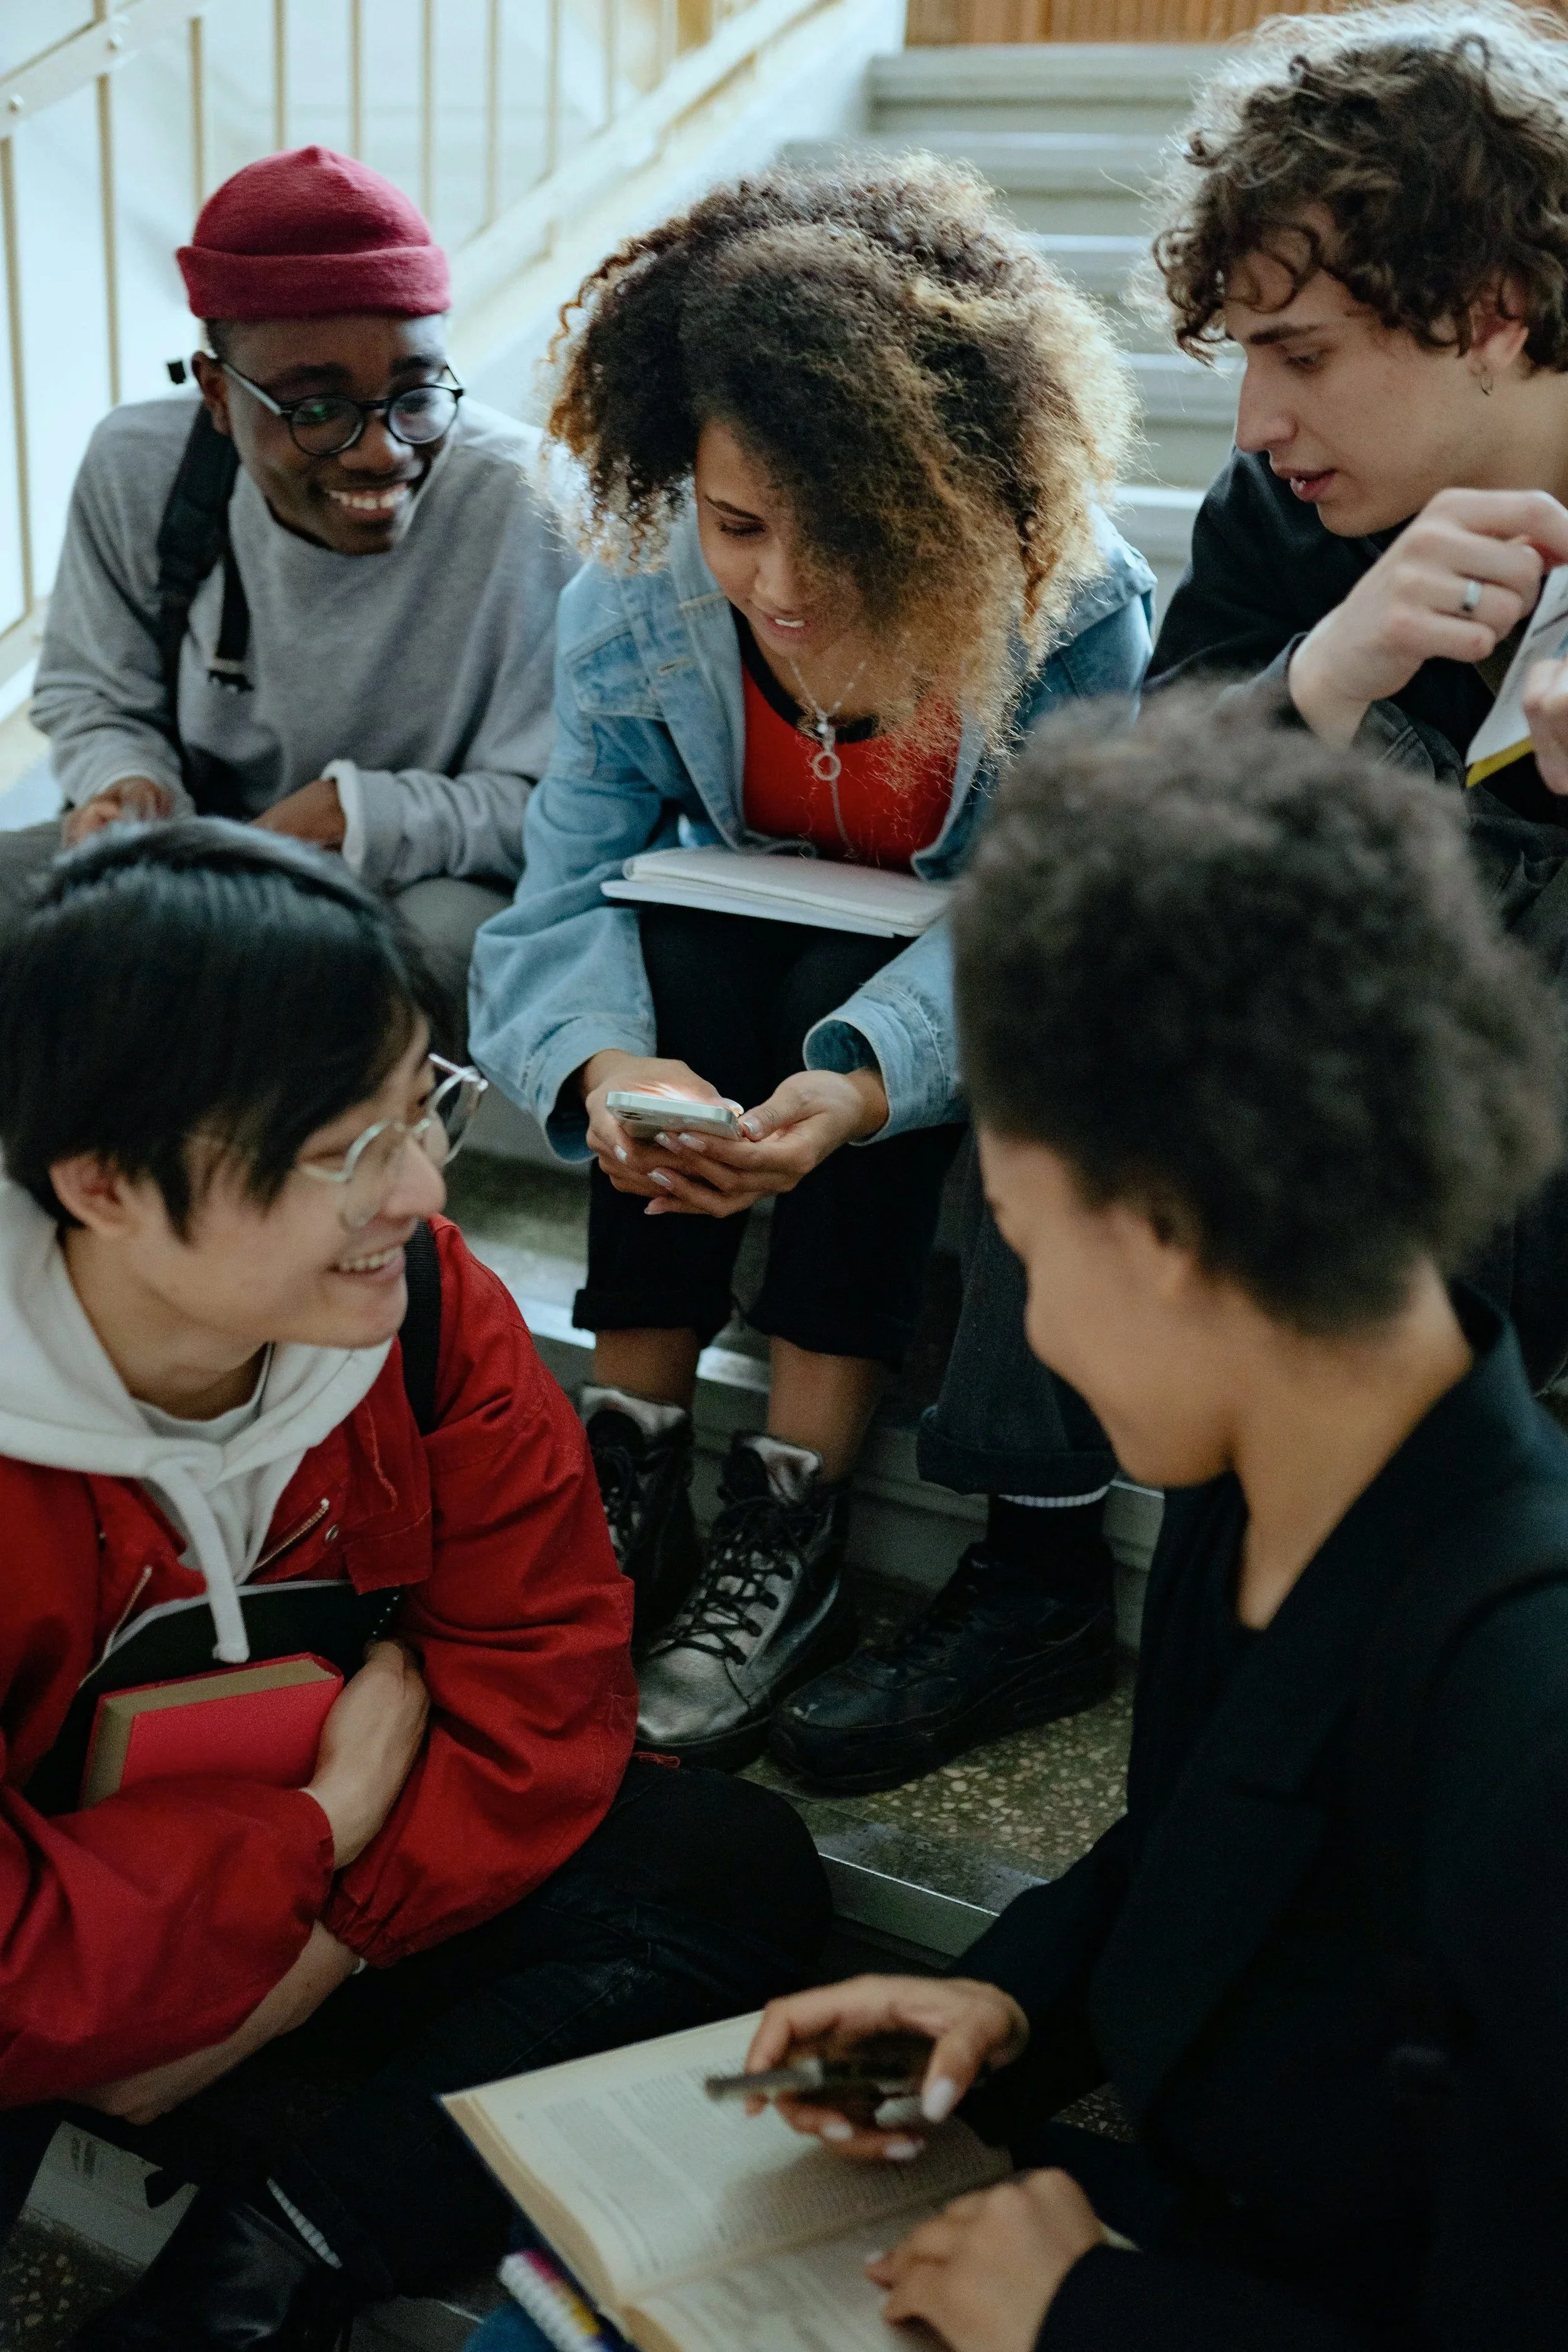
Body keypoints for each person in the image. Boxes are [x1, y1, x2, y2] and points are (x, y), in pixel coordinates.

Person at [739, 692, 1568, 2352]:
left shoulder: (1529, 1701)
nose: (1033, 1328)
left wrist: (1089, 2310)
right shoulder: (1263, 1467)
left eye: (1030, 1249)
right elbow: (1213, 1842)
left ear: (1170, 1226)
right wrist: (1005, 1995)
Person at [0, 823, 829, 2351]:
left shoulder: (426, 1304)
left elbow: (542, 1665)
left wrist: (312, 1961)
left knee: (720, 1874)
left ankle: (265, 2269)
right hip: (79, 1948)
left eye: (420, 1111)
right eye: (340, 1151)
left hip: (296, 1909)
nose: (416, 1188)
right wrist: (317, 1826)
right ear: (101, 1181)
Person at [469, 157, 1155, 1770]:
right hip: (724, 975)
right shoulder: (631, 600)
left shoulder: (1068, 612)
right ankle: (627, 1461)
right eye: (735, 523)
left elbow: (1036, 919)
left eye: (831, 530)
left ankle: (793, 1514)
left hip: (929, 1015)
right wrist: (601, 1072)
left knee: (835, 1021)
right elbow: (557, 899)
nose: (776, 585)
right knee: (683, 945)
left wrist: (850, 1086)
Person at [1145, 0, 1568, 1386]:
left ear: (1490, 315)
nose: (1257, 422)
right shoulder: (1279, 504)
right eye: (1249, 354)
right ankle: (1040, 1548)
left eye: (1302, 353)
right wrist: (1320, 676)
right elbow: (1137, 832)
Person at [3, 144, 576, 1027]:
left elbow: (565, 802)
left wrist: (353, 816)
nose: (383, 448)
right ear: (218, 397)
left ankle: (357, 1160)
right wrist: (129, 786)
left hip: (416, 871)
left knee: (442, 939)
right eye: (318, 409)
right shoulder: (140, 468)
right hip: (194, 839)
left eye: (417, 393)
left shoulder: (531, 500)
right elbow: (91, 693)